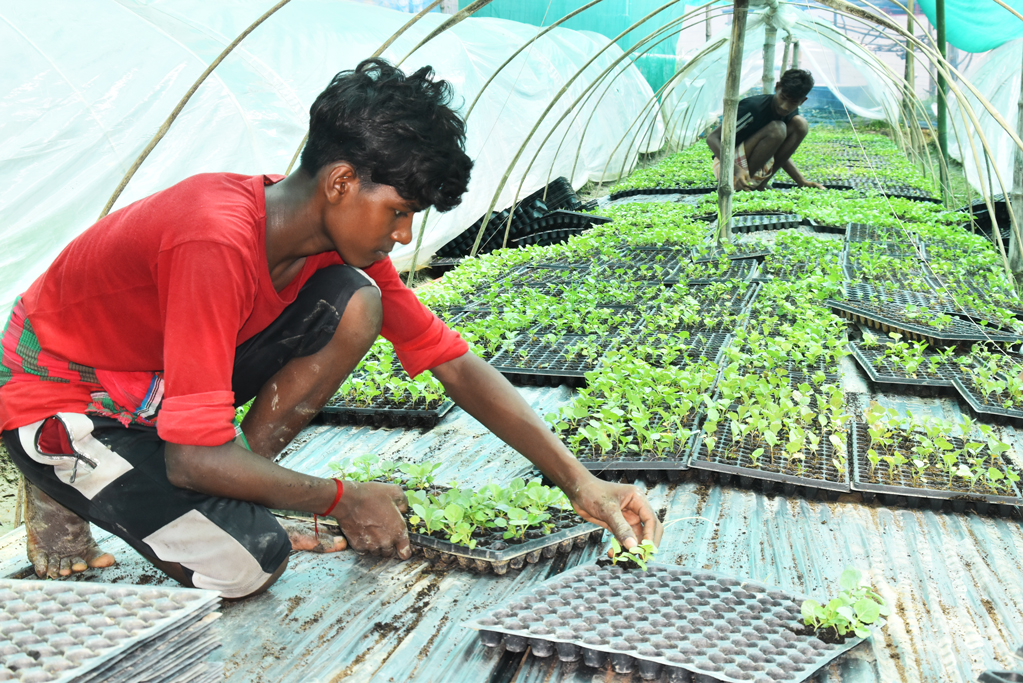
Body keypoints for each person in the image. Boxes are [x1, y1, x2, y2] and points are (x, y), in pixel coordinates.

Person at [0, 59, 663, 598]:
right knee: (246, 563)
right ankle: (60, 472)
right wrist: (339, 498)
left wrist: (581, 481)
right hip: (62, 393)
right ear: (342, 181)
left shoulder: (331, 244)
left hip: (155, 383)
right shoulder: (212, 238)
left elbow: (453, 362)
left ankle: (238, 479)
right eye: (399, 211)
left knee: (355, 302)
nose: (404, 234)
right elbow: (192, 456)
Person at [706, 68, 825, 192]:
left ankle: (759, 183)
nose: (785, 106)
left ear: (802, 101)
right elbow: (712, 138)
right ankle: (743, 184)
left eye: (793, 102)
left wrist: (801, 181)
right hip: (727, 165)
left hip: (753, 165)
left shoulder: (790, 113)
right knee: (778, 129)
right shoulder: (753, 107)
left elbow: (781, 152)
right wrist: (736, 169)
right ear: (777, 87)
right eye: (783, 97)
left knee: (801, 124)